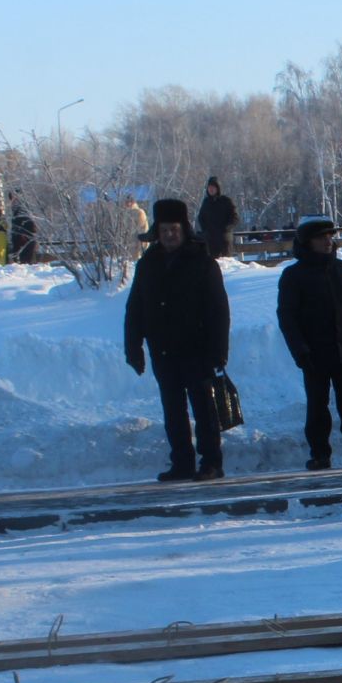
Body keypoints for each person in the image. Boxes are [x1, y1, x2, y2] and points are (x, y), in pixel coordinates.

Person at [124, 198, 230, 481]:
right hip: (163, 350)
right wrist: (133, 346)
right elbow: (135, 307)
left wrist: (218, 352)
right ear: (157, 232)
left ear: (184, 230)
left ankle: (211, 462)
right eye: (165, 230)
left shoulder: (202, 262)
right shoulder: (148, 264)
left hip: (197, 349)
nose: (170, 235)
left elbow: (219, 311)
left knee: (204, 410)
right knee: (173, 411)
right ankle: (182, 463)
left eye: (175, 229)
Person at [277, 218, 342, 471]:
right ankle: (320, 454)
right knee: (317, 407)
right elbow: (287, 317)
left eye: (330, 236)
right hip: (314, 353)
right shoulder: (294, 275)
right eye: (321, 237)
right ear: (307, 242)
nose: (327, 241)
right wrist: (300, 350)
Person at [197, 177, 238, 259]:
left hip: (224, 240)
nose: (211, 189)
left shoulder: (226, 201)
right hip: (209, 241)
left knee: (225, 265)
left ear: (218, 188)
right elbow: (201, 217)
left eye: (213, 187)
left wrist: (226, 229)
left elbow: (235, 217)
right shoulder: (206, 202)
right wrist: (205, 231)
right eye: (209, 187)